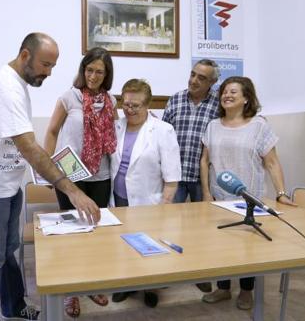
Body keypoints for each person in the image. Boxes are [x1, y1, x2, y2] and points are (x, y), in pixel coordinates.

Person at [0, 32, 101, 321]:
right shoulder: (6, 87)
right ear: (25, 55)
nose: (48, 73)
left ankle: (13, 306)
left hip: (9, 186)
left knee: (9, 251)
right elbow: (27, 146)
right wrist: (70, 189)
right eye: (45, 64)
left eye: (52, 66)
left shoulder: (18, 84)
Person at [199, 76, 294, 310]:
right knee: (220, 244)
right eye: (224, 92)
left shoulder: (259, 125)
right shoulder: (212, 125)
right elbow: (205, 161)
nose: (227, 96)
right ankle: (222, 288)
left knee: (247, 246)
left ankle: (246, 290)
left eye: (233, 92)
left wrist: (281, 193)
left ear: (246, 98)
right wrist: (206, 193)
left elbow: (272, 162)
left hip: (249, 199)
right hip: (220, 199)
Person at [43, 47, 117, 318]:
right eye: (89, 70)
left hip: (101, 174)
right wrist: (50, 169)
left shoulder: (111, 102)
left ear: (106, 74)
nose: (93, 76)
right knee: (72, 231)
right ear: (82, 70)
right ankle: (71, 292)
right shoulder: (68, 98)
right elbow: (51, 132)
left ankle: (92, 282)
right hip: (70, 174)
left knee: (96, 231)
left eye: (99, 71)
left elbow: (114, 136)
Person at [109, 79, 181, 308]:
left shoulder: (162, 130)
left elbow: (172, 177)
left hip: (149, 202)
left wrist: (164, 207)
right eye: (126, 104)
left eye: (135, 106)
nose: (129, 110)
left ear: (148, 104)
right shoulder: (116, 126)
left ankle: (150, 286)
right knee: (123, 244)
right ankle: (127, 285)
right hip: (119, 198)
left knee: (148, 247)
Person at [161, 58, 221, 293]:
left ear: (213, 82)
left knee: (202, 228)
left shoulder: (219, 104)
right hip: (175, 175)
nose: (194, 80)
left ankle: (201, 271)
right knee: (168, 224)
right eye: (193, 74)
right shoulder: (175, 98)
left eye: (202, 78)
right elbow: (163, 135)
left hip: (202, 177)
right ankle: (165, 270)